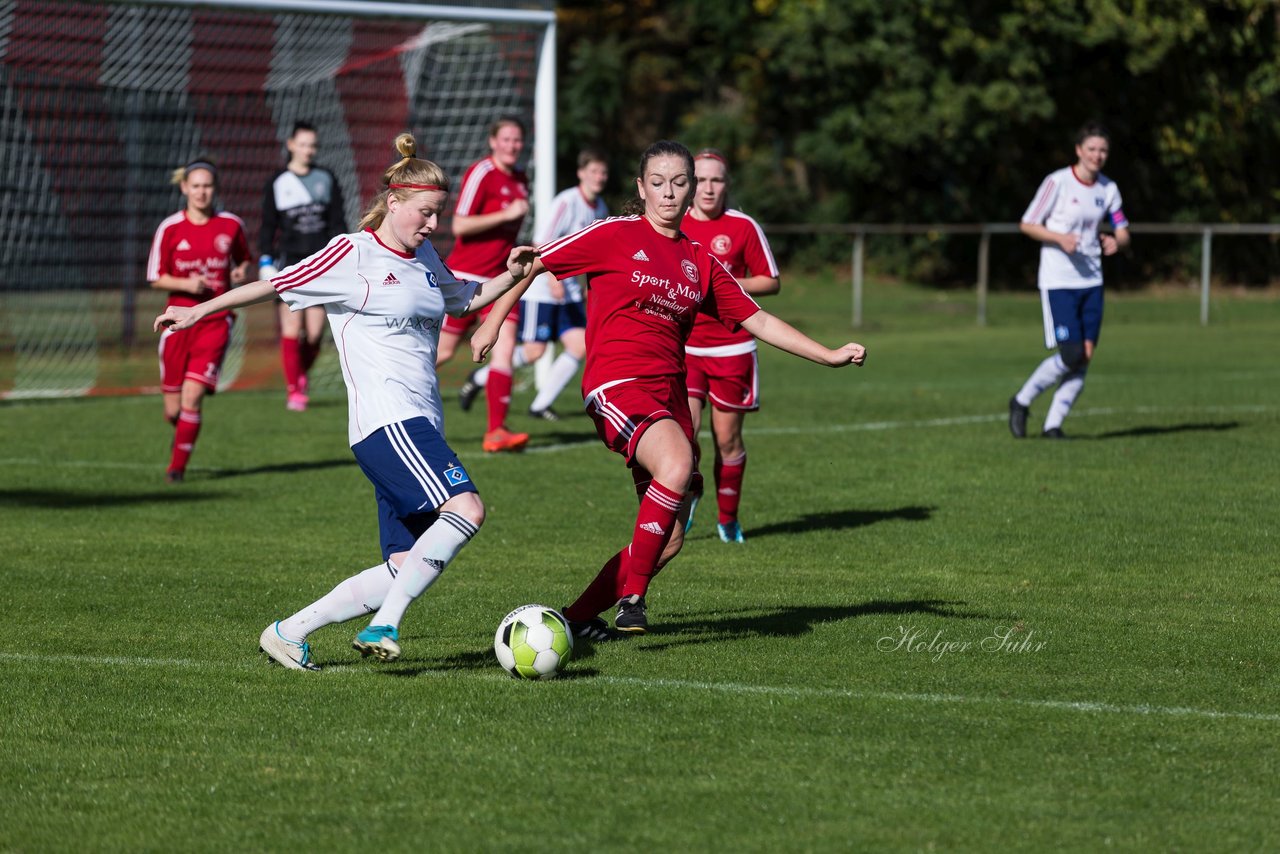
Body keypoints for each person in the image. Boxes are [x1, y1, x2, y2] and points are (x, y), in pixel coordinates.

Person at [153, 133, 538, 670]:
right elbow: (273, 284)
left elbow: (464, 298)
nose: (433, 225)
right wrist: (199, 311)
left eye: (438, 215)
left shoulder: (425, 254)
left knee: (403, 564)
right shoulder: (350, 254)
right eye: (425, 213)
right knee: (467, 508)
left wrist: (515, 274)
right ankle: (386, 624)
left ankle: (288, 632)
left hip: (416, 423)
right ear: (395, 201)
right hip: (388, 422)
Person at [471, 140, 866, 639]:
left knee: (672, 536)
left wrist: (827, 354)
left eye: (680, 182)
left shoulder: (699, 260)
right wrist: (491, 325)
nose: (669, 192)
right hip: (617, 385)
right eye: (657, 182)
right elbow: (531, 264)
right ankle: (633, 598)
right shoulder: (613, 234)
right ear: (641, 188)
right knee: (677, 464)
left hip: (669, 397)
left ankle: (572, 621)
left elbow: (758, 318)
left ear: (693, 188)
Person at [458, 148, 610, 421]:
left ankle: (540, 405)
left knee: (580, 346)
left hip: (569, 292)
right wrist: (552, 279)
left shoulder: (600, 208)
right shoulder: (567, 202)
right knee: (534, 352)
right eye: (593, 172)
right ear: (581, 174)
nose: (598, 177)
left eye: (602, 172)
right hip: (542, 289)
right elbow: (541, 242)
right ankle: (481, 377)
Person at [680, 148, 781, 544]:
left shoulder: (742, 226)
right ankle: (689, 493)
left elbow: (770, 280)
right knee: (685, 438)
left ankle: (728, 518)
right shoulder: (675, 224)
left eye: (716, 179)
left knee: (727, 440)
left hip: (732, 349)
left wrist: (722, 285)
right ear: (689, 184)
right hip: (684, 348)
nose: (708, 188)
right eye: (700, 179)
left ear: (727, 184)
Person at [1009, 122, 1130, 439]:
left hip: (1091, 281)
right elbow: (1028, 223)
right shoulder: (1057, 182)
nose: (1097, 155)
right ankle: (1021, 401)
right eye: (1091, 148)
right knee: (1071, 355)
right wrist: (1059, 238)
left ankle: (1053, 425)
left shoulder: (1108, 189)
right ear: (1079, 150)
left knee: (1085, 356)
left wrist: (1118, 241)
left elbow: (1122, 229)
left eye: (1103, 150)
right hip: (1059, 280)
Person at [146, 158, 252, 483]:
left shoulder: (231, 225)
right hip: (176, 321)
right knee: (174, 410)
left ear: (214, 189)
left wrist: (240, 270)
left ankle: (175, 470)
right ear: (184, 188)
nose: (202, 192)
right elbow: (155, 277)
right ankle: (182, 433)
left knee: (193, 397)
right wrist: (185, 284)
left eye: (207, 186)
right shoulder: (171, 228)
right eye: (196, 186)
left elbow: (243, 258)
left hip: (215, 319)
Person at [434, 116, 532, 453]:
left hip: (500, 281)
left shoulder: (521, 178)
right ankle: (388, 390)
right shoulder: (482, 172)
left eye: (517, 140)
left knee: (504, 348)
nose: (512, 146)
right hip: (464, 277)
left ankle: (496, 431)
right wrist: (505, 215)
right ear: (493, 142)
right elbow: (459, 225)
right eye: (505, 139)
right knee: (444, 351)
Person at [259, 121, 348, 411]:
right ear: (291, 145)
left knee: (314, 334)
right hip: (290, 264)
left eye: (313, 145)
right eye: (304, 144)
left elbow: (338, 222)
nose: (309, 150)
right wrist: (265, 259)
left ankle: (300, 377)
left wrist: (341, 255)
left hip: (321, 265)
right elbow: (268, 226)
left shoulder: (326, 178)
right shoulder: (278, 182)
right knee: (292, 326)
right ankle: (294, 390)